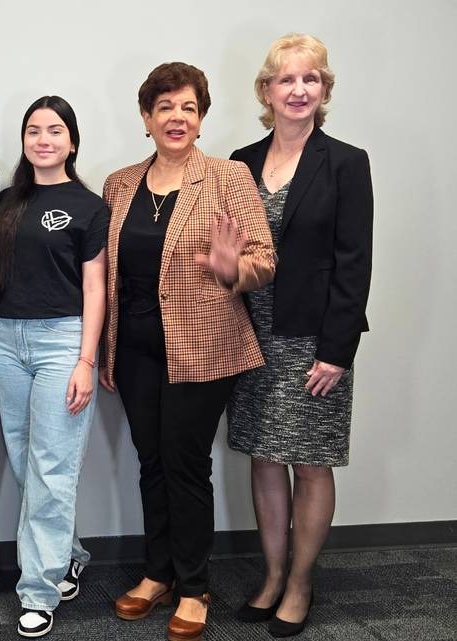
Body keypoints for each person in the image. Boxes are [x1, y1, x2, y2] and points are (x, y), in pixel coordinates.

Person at [99, 62, 275, 641]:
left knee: (184, 462)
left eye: (189, 108)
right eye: (166, 107)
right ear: (146, 117)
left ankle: (194, 585)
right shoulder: (120, 184)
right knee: (150, 460)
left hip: (203, 348)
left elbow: (265, 261)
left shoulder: (229, 177)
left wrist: (235, 269)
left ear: (201, 118)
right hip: (135, 349)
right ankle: (158, 573)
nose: (177, 118)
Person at [226, 33, 373, 639]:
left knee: (310, 464)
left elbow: (354, 262)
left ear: (324, 89)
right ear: (267, 90)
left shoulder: (346, 162)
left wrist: (338, 351)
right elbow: (229, 252)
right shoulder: (238, 161)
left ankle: (302, 582)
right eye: (286, 79)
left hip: (313, 342)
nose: (298, 89)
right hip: (251, 337)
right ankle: (272, 574)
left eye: (310, 79)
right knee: (264, 458)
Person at [0, 96, 107, 638]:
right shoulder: (7, 201)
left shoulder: (88, 206)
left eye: (55, 130)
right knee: (25, 461)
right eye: (33, 130)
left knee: (53, 467)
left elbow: (95, 286)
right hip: (7, 339)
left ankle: (37, 591)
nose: (43, 139)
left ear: (72, 141)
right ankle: (69, 553)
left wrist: (86, 358)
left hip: (63, 341)